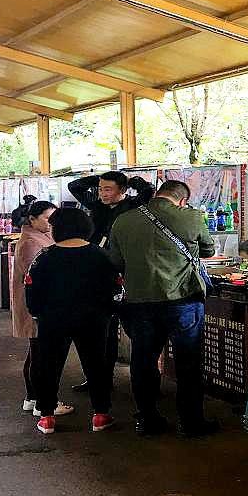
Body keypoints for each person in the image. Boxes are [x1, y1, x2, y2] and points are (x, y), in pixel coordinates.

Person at [108, 180, 217, 437]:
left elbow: (116, 261)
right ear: (182, 200)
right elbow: (208, 250)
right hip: (183, 301)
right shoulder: (191, 217)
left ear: (157, 194)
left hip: (139, 303)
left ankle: (148, 420)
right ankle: (190, 422)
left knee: (143, 362)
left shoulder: (123, 220)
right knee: (188, 362)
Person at [25, 208, 121, 435]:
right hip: (94, 320)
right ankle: (101, 415)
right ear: (87, 227)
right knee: (96, 365)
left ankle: (47, 417)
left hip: (52, 321)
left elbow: (31, 290)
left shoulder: (45, 257)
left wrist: (38, 313)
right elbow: (116, 288)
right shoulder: (101, 256)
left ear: (57, 229)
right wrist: (109, 312)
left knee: (49, 365)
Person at [67, 171, 154, 392]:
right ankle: (100, 379)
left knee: (137, 330)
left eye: (108, 189)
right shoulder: (97, 205)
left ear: (122, 190)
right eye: (100, 189)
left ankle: (146, 384)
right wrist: (97, 179)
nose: (102, 193)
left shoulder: (133, 205)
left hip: (127, 273)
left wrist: (133, 181)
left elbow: (148, 191)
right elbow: (74, 186)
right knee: (102, 331)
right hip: (99, 273)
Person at [10, 199, 75, 418]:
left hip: (38, 305)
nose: (51, 222)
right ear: (32, 219)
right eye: (47, 218)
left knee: (36, 354)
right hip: (38, 307)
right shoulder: (31, 242)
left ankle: (33, 398)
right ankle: (44, 403)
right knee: (42, 356)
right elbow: (39, 277)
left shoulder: (40, 237)